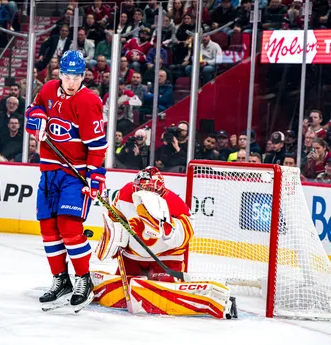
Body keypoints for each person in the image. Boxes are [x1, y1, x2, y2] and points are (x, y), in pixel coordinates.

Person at [92, 166, 237, 318]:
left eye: (148, 189)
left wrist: (169, 230)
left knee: (162, 288)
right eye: (140, 187)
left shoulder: (174, 203)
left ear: (160, 189)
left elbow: (186, 234)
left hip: (165, 258)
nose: (142, 191)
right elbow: (115, 218)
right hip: (132, 257)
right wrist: (115, 238)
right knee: (124, 286)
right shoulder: (125, 193)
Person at [25, 50, 107, 312]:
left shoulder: (88, 102)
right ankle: (61, 280)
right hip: (49, 172)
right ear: (59, 74)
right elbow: (33, 110)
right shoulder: (48, 90)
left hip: (75, 174)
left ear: (83, 76)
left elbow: (98, 145)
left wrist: (95, 177)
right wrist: (36, 119)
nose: (71, 81)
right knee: (48, 227)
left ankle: (84, 280)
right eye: (67, 75)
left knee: (69, 227)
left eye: (77, 76)